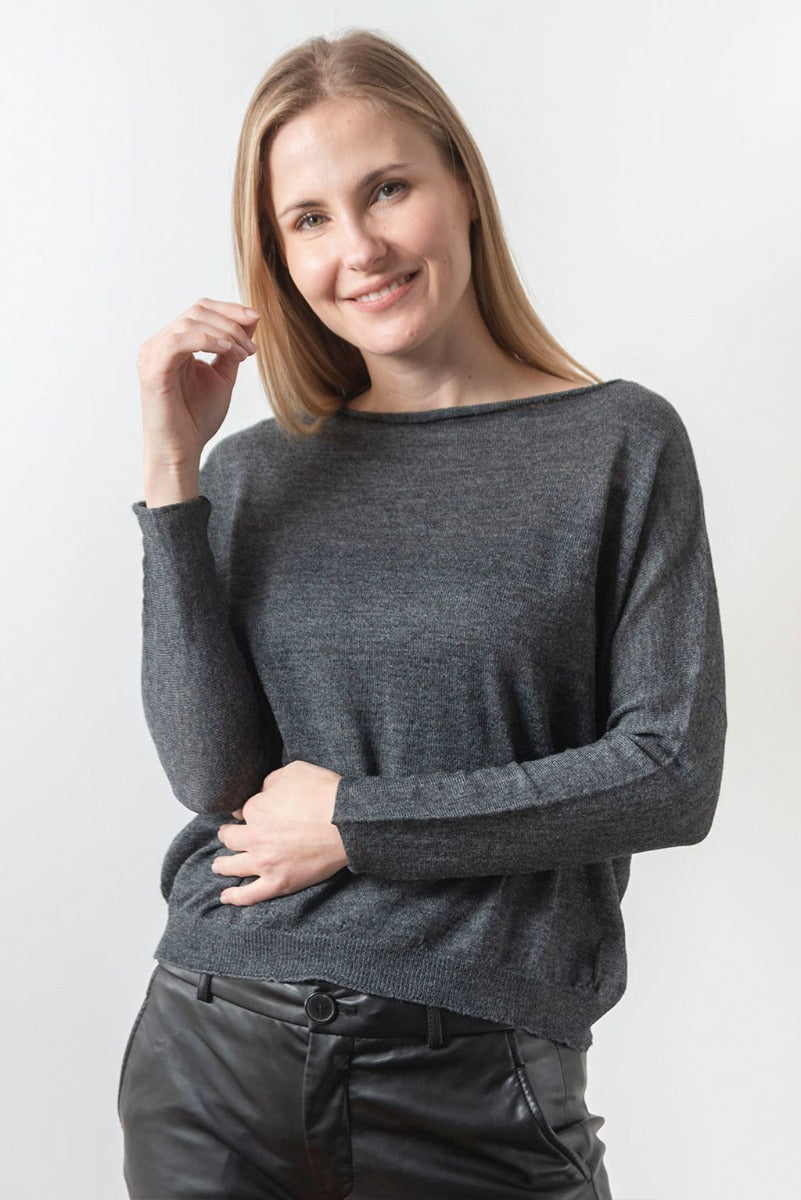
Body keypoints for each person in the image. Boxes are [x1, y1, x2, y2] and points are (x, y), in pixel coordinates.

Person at [118, 27, 727, 1200]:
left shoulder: (619, 444)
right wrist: (171, 476)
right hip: (213, 1053)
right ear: (278, 254)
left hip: (478, 1075)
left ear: (462, 184)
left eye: (387, 188)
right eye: (309, 218)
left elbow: (669, 775)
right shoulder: (252, 472)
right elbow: (214, 777)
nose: (359, 248)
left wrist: (360, 823)